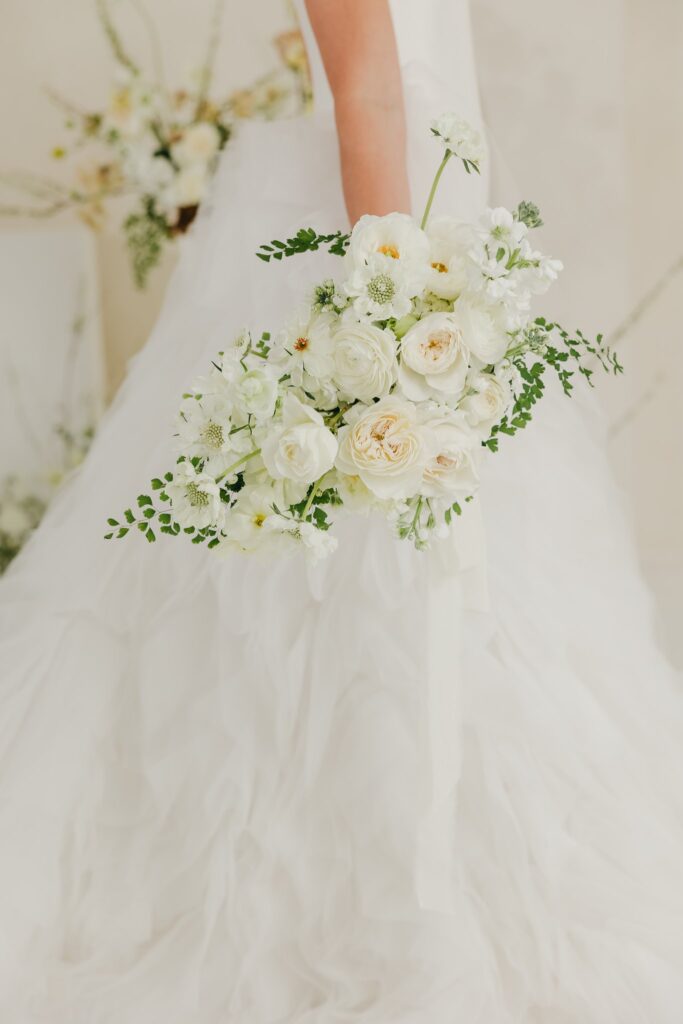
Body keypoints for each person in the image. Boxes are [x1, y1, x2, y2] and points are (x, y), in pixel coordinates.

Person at [1, 1, 682, 1020]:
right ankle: (367, 895)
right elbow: (365, 89)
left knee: (485, 602)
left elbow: (418, 79)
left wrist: (468, 264)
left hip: (433, 223)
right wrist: (398, 320)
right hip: (380, 245)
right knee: (348, 585)